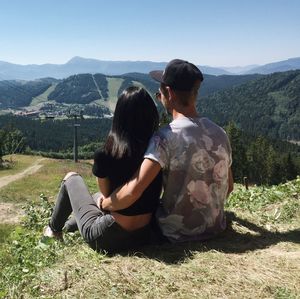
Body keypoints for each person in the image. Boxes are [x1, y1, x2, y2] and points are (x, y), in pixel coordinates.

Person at [101, 59, 234, 243]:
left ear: (168, 94)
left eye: (160, 92)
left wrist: (105, 203)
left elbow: (133, 191)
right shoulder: (220, 133)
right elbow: (230, 186)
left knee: (99, 199)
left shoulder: (164, 139)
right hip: (216, 227)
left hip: (174, 233)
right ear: (195, 93)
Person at [44, 86, 162, 252]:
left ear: (119, 116)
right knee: (95, 197)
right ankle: (71, 226)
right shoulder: (156, 153)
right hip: (143, 233)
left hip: (107, 237)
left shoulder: (106, 153)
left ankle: (53, 230)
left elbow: (107, 196)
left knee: (72, 178)